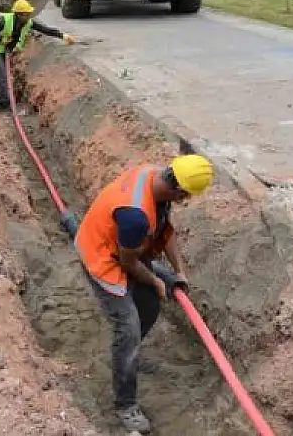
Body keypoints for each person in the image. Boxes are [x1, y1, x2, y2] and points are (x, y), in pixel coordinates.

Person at [73, 154, 215, 434]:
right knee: (128, 327)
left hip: (128, 246)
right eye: (186, 197)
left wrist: (179, 271)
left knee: (149, 307)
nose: (185, 202)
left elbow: (164, 230)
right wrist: (156, 280)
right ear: (178, 190)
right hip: (102, 256)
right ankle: (125, 404)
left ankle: (129, 355)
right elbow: (127, 264)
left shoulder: (155, 177)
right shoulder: (135, 215)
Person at [0, 0, 75, 111]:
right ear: (18, 15)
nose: (28, 17)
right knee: (3, 77)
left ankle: (10, 97)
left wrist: (62, 36)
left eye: (28, 14)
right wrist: (0, 39)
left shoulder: (28, 23)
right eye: (25, 15)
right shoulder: (4, 21)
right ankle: (4, 103)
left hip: (6, 52)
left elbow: (45, 30)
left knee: (7, 76)